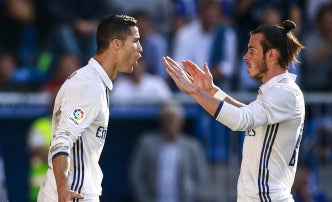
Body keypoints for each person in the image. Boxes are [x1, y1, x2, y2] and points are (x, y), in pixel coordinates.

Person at [163, 20, 305, 201]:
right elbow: (249, 117)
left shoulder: (284, 92)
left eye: (252, 50)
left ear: (271, 56)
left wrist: (194, 92)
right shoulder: (277, 91)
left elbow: (241, 120)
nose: (245, 56)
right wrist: (211, 91)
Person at [37, 14, 143, 202]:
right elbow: (62, 141)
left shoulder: (94, 82)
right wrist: (64, 191)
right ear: (116, 44)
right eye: (135, 41)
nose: (140, 49)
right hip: (74, 194)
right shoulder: (88, 86)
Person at [129, 101, 208, 202]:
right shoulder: (146, 143)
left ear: (181, 121)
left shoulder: (192, 146)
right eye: (167, 118)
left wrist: (192, 197)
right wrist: (144, 199)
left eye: (173, 118)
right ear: (161, 120)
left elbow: (201, 177)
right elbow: (136, 174)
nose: (170, 122)